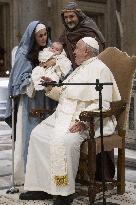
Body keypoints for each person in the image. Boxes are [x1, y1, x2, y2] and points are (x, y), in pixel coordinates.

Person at [19, 37, 121, 204]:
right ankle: (41, 187)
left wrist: (84, 122)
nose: (73, 51)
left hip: (85, 120)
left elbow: (103, 103)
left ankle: (64, 192)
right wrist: (51, 87)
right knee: (37, 135)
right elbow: (67, 95)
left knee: (65, 141)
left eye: (77, 48)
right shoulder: (79, 69)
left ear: (86, 51)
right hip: (62, 115)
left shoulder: (100, 69)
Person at [5, 21, 52, 185]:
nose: (44, 38)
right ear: (33, 37)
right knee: (29, 137)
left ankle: (45, 175)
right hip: (29, 102)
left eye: (45, 34)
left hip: (48, 100)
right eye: (40, 35)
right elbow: (18, 81)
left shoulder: (50, 50)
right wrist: (36, 75)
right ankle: (26, 176)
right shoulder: (23, 54)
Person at [59, 1, 105, 69]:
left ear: (78, 16)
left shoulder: (89, 31)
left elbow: (97, 57)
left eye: (71, 16)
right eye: (66, 17)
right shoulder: (65, 33)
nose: (68, 20)